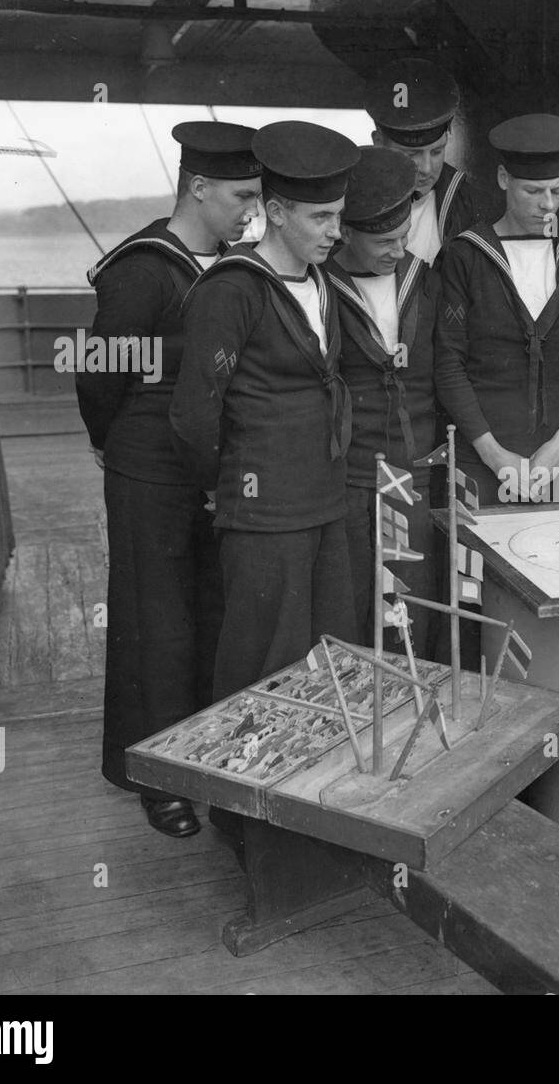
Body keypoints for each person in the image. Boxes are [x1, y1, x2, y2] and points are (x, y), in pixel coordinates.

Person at [81, 121, 260, 840]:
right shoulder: (142, 268)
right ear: (199, 187)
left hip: (212, 461)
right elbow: (100, 378)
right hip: (149, 465)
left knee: (210, 610)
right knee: (154, 619)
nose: (253, 210)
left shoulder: (235, 264)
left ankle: (203, 754)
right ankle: (155, 777)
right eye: (243, 195)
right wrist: (112, 449)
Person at [170, 121, 361, 709]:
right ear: (275, 213)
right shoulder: (232, 289)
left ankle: (314, 795)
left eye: (338, 215)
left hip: (325, 500)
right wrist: (224, 485)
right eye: (320, 218)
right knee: (264, 667)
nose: (336, 231)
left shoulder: (323, 282)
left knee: (332, 659)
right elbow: (193, 414)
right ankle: (238, 805)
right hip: (263, 511)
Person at [433, 113, 559, 508]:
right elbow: (448, 364)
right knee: (476, 568)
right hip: (481, 463)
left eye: (557, 190)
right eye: (533, 191)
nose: (547, 205)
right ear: (503, 179)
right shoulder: (464, 256)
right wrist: (494, 455)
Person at [326, 145, 439, 649]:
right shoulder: (322, 287)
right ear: (345, 232)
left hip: (414, 472)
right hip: (352, 477)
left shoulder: (425, 280)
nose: (398, 251)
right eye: (383, 242)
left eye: (404, 236)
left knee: (412, 609)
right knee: (355, 607)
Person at [365, 57, 492, 265]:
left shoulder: (472, 206)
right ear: (378, 142)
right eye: (411, 155)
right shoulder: (345, 204)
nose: (425, 169)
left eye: (436, 152)